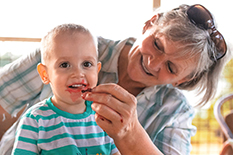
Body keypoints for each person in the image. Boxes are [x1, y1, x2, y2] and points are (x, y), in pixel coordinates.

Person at [0, 4, 230, 155]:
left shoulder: (175, 111)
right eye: (158, 44)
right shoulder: (70, 45)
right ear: (149, 24)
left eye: (170, 67)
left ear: (183, 80)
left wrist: (130, 134)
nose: (153, 63)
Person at [10, 24, 120, 155]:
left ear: (97, 70)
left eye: (86, 64)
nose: (78, 73)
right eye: (64, 65)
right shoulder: (34, 121)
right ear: (45, 74)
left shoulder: (105, 117)